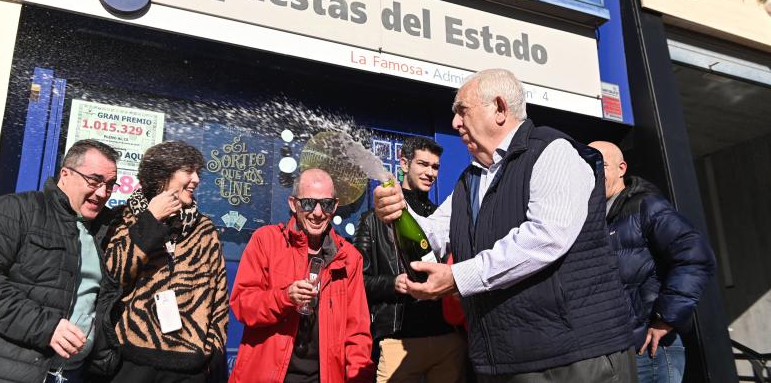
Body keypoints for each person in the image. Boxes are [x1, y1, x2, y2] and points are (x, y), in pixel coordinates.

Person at [374, 68, 636, 382]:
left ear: (499, 109)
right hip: (505, 363)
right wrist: (396, 212)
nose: (455, 123)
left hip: (574, 360)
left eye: (462, 111)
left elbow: (546, 236)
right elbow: (430, 236)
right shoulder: (470, 180)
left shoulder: (553, 151)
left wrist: (458, 276)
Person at [0, 139, 121, 383]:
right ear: (65, 174)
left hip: (72, 374)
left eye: (110, 185)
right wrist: (46, 327)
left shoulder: (105, 230)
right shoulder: (15, 210)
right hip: (2, 370)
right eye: (94, 181)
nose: (103, 192)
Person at [229, 168, 374, 383]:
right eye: (308, 203)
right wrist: (284, 297)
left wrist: (358, 379)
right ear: (293, 204)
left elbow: (357, 334)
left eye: (325, 204)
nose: (317, 213)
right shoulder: (266, 241)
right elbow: (242, 306)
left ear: (334, 206)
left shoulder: (349, 258)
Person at [589, 141, 715, 383]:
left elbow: (696, 256)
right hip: (614, 353)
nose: (593, 172)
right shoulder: (590, 220)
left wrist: (666, 318)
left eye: (600, 164)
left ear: (621, 168)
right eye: (587, 166)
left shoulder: (646, 206)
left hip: (650, 350)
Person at [105, 140, 228, 382]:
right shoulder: (124, 218)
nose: (196, 180)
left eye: (198, 172)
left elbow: (219, 297)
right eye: (188, 171)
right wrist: (151, 219)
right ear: (161, 173)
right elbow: (113, 275)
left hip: (189, 369)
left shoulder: (204, 229)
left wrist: (212, 351)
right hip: (131, 362)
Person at [355, 136, 467, 382]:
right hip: (399, 340)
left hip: (447, 340)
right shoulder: (373, 220)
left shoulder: (442, 218)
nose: (430, 173)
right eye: (423, 164)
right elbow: (358, 283)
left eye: (435, 167)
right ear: (404, 164)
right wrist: (393, 283)